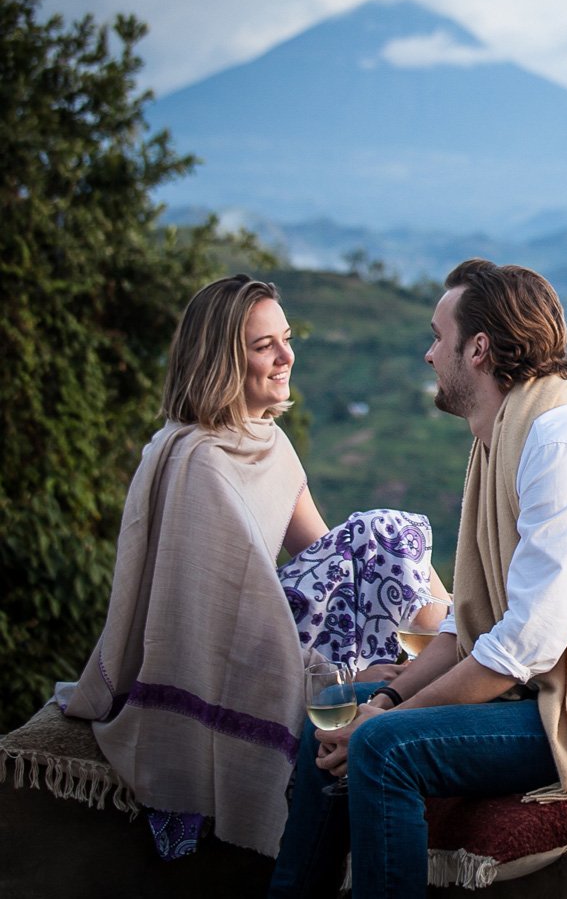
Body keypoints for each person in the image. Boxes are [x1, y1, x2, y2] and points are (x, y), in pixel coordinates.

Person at [268, 259, 567, 898]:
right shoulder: (503, 446)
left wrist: (387, 721)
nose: (429, 354)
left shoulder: (562, 449)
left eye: (437, 336)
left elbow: (524, 645)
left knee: (383, 751)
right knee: (341, 722)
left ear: (477, 349)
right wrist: (383, 702)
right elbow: (466, 627)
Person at [60, 275, 443, 861]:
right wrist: (323, 669)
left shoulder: (266, 439)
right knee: (383, 530)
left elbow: (327, 549)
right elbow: (216, 613)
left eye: (286, 339)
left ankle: (447, 654)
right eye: (265, 346)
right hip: (244, 647)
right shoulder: (198, 459)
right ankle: (448, 665)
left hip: (280, 619)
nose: (287, 356)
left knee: (383, 535)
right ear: (221, 360)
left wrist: (392, 567)